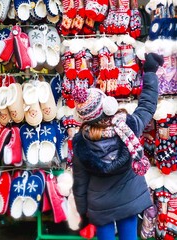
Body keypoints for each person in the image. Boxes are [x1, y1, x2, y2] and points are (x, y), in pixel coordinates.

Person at [71, 53, 164, 240]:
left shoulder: (82, 142)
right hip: (129, 199)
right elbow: (147, 105)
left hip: (100, 206)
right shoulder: (128, 127)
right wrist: (150, 71)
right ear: (107, 106)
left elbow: (80, 182)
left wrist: (82, 211)